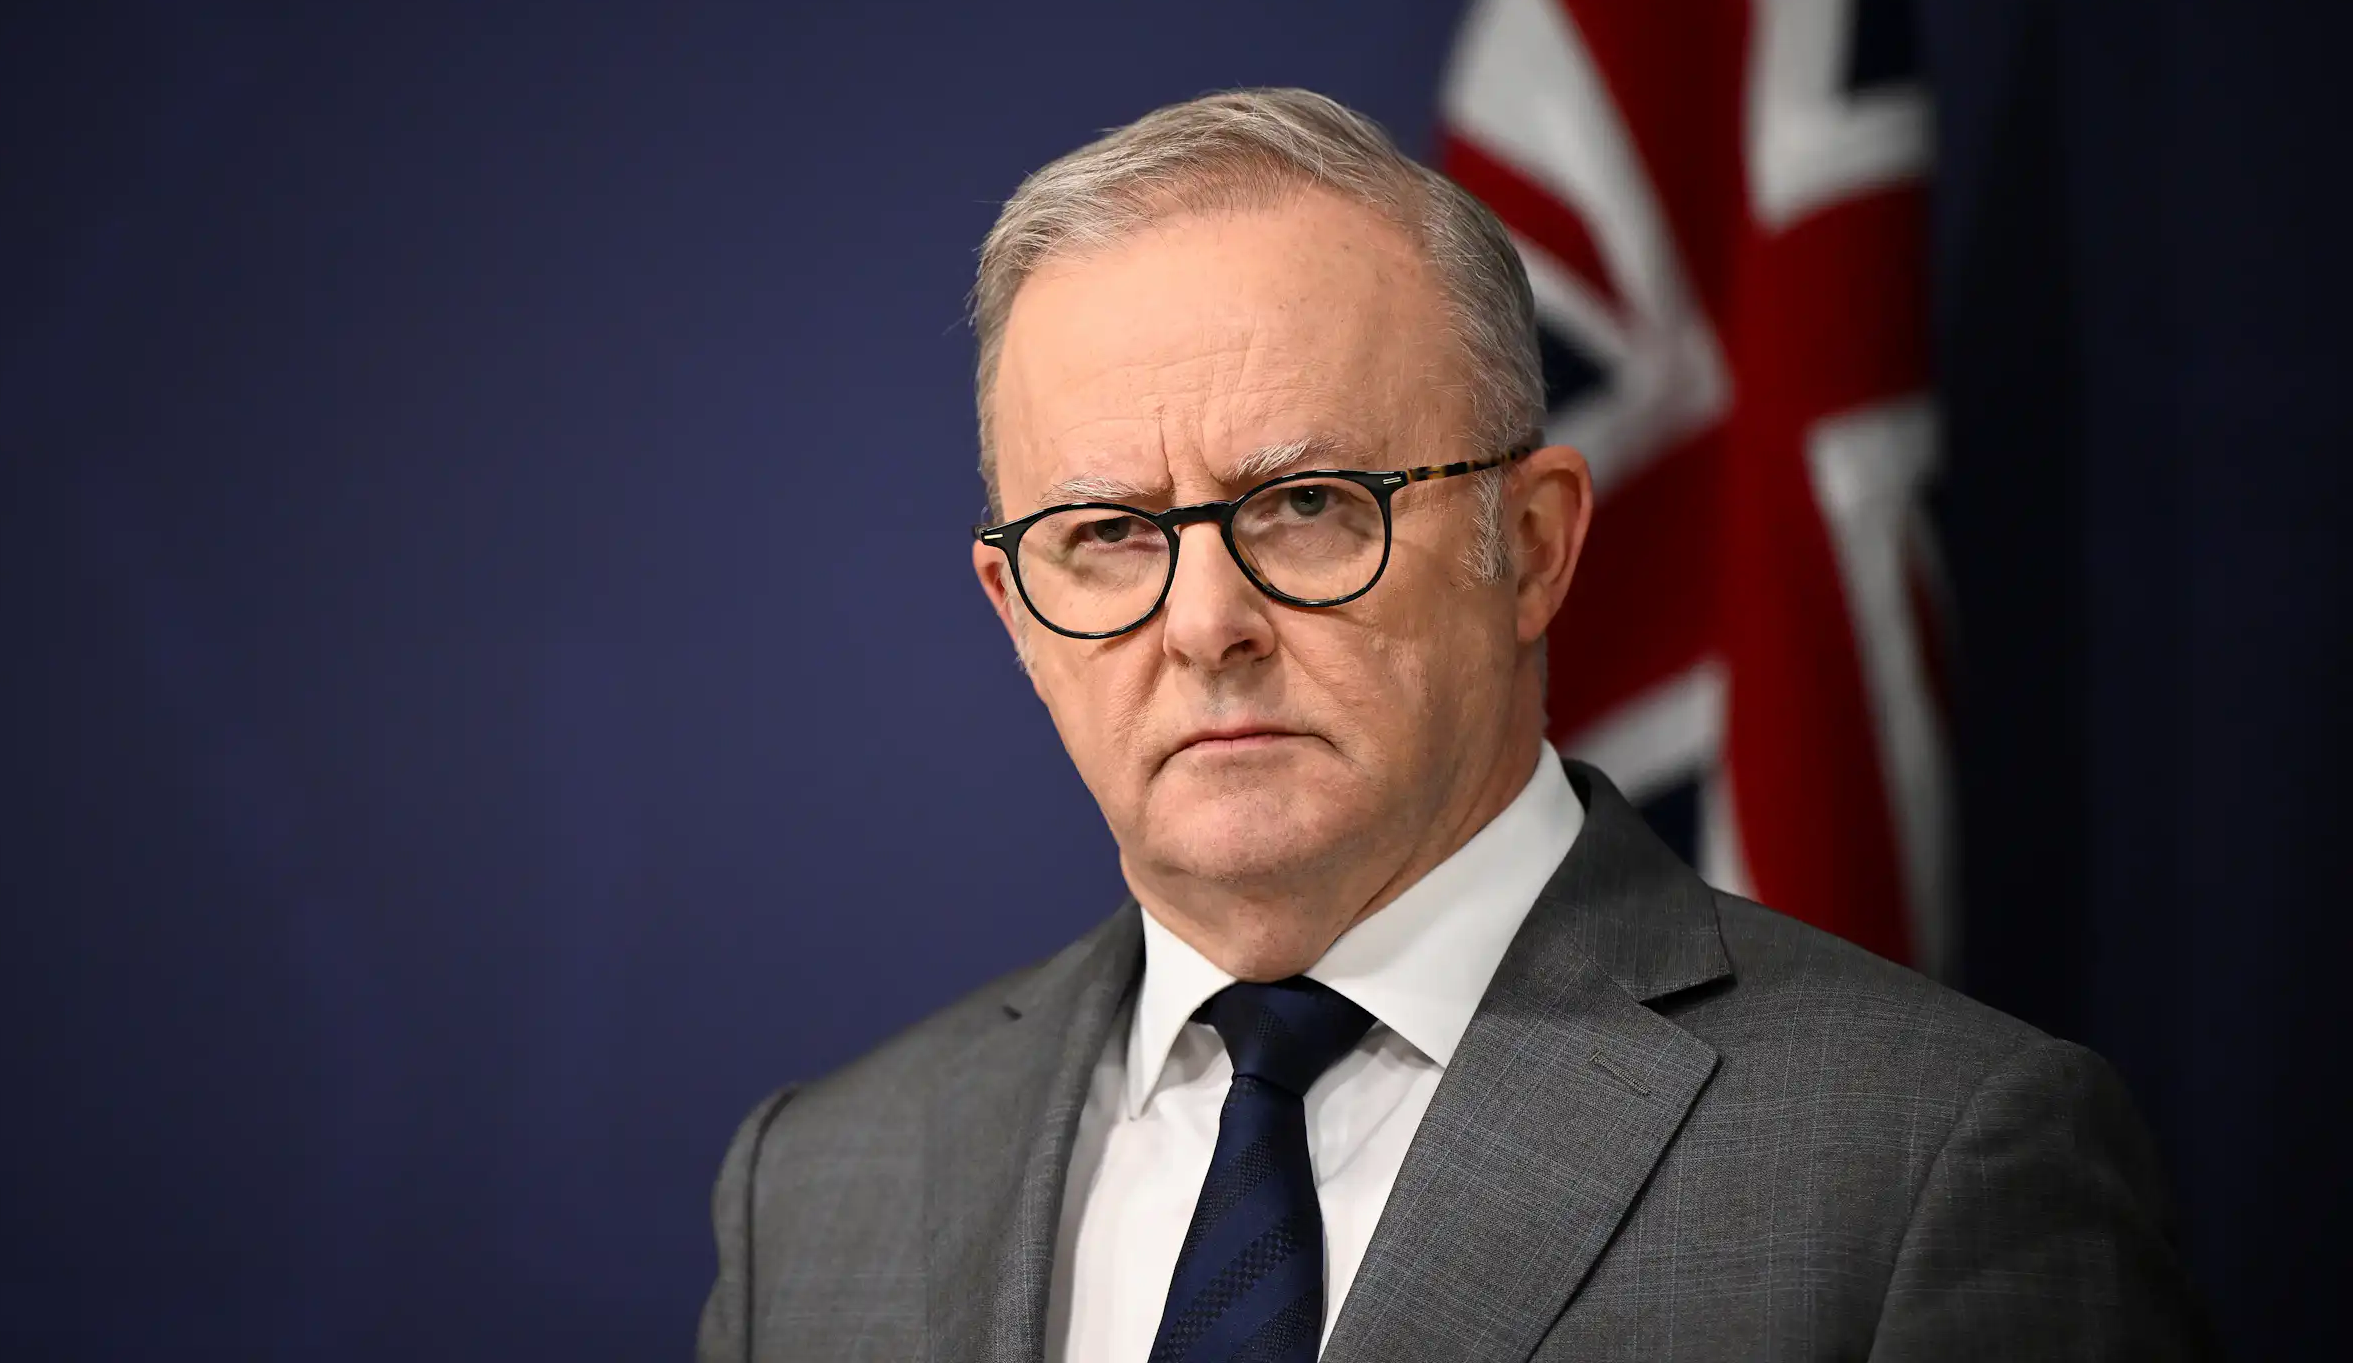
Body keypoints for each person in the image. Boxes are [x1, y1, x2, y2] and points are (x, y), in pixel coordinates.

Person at [696, 88, 2209, 1362]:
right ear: (1016, 612)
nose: (1205, 622)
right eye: (1107, 535)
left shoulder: (1935, 1159)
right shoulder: (817, 1193)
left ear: (1534, 545)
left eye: (1304, 507)